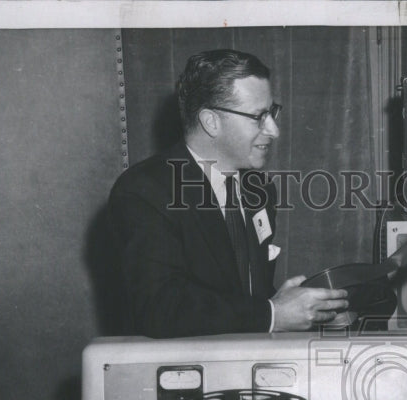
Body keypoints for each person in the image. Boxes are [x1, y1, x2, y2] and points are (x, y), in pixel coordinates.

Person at [108, 49, 347, 337]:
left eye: (272, 113)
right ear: (211, 122)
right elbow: (160, 309)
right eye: (258, 116)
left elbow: (239, 299)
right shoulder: (145, 190)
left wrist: (303, 313)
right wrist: (272, 314)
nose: (273, 129)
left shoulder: (259, 190)